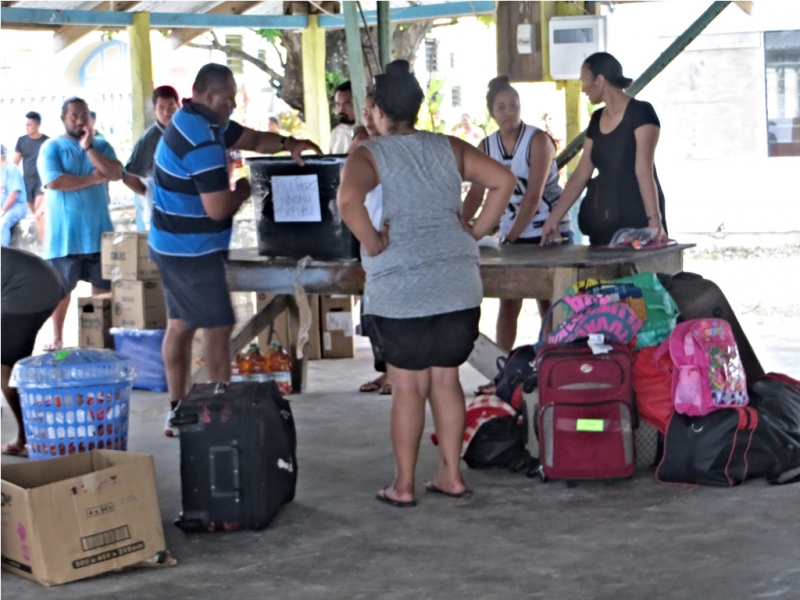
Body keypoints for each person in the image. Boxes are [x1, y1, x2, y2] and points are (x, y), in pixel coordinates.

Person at [337, 60, 516, 507]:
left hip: (401, 290)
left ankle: (402, 485)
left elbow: (347, 200)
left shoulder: (369, 154)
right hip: (457, 284)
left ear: (377, 109)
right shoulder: (448, 148)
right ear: (417, 107)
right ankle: (451, 476)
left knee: (408, 387)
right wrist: (473, 230)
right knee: (445, 380)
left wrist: (373, 242)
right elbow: (504, 181)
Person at [150, 63, 322, 437]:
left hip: (173, 244)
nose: (232, 105)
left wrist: (289, 144)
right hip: (190, 250)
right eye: (228, 98)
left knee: (180, 326)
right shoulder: (201, 139)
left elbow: (256, 140)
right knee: (218, 326)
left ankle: (178, 409)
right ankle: (217, 408)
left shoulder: (205, 121)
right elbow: (218, 209)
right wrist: (245, 188)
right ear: (208, 96)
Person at [462, 76, 573, 395]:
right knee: (508, 303)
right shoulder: (487, 146)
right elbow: (476, 194)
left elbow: (534, 196)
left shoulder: (538, 141)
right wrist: (461, 224)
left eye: (514, 105)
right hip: (512, 231)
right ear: (492, 112)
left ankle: (550, 370)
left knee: (547, 300)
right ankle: (500, 371)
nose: (510, 111)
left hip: (546, 231)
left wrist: (508, 238)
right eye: (502, 107)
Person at [541, 52, 668, 246]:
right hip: (604, 215)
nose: (583, 89)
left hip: (639, 215)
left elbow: (644, 170)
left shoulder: (642, 113)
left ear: (599, 80)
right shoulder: (597, 118)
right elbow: (581, 174)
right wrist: (554, 218)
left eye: (585, 81)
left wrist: (655, 221)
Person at [37, 97, 123, 351]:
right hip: (65, 236)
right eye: (74, 115)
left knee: (103, 289)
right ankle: (57, 336)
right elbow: (54, 182)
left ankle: (101, 338)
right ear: (63, 119)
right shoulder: (51, 147)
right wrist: (93, 179)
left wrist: (89, 148)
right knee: (61, 291)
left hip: (99, 233)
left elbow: (116, 173)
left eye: (84, 115)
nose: (79, 120)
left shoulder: (102, 146)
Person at [1, 247, 67, 457]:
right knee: (15, 366)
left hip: (29, 292)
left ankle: (26, 438)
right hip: (43, 287)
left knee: (6, 370)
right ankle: (36, 433)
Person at [349, 93, 391, 396]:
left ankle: (395, 374)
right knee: (372, 314)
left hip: (390, 238)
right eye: (363, 112)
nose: (367, 118)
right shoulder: (362, 150)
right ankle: (386, 371)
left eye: (371, 112)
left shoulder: (391, 149)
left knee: (390, 314)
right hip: (370, 237)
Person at [123, 85, 181, 230]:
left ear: (179, 106)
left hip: (184, 207)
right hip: (160, 210)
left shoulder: (184, 133)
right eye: (161, 108)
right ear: (154, 109)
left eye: (171, 107)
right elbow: (129, 178)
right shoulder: (149, 139)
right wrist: (151, 192)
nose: (166, 112)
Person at [13, 111, 49, 217]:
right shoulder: (21, 140)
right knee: (35, 212)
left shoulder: (47, 141)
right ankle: (41, 230)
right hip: (27, 181)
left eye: (29, 125)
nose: (26, 127)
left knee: (39, 207)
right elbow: (15, 162)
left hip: (42, 181)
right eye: (26, 125)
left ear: (37, 125)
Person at [1, 145, 28, 247]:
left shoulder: (11, 169)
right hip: (4, 207)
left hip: (17, 206)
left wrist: (2, 211)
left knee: (2, 224)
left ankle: (2, 254)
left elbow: (14, 194)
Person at [329, 80, 356, 154]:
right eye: (338, 104)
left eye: (346, 104)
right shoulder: (336, 133)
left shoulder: (369, 132)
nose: (341, 109)